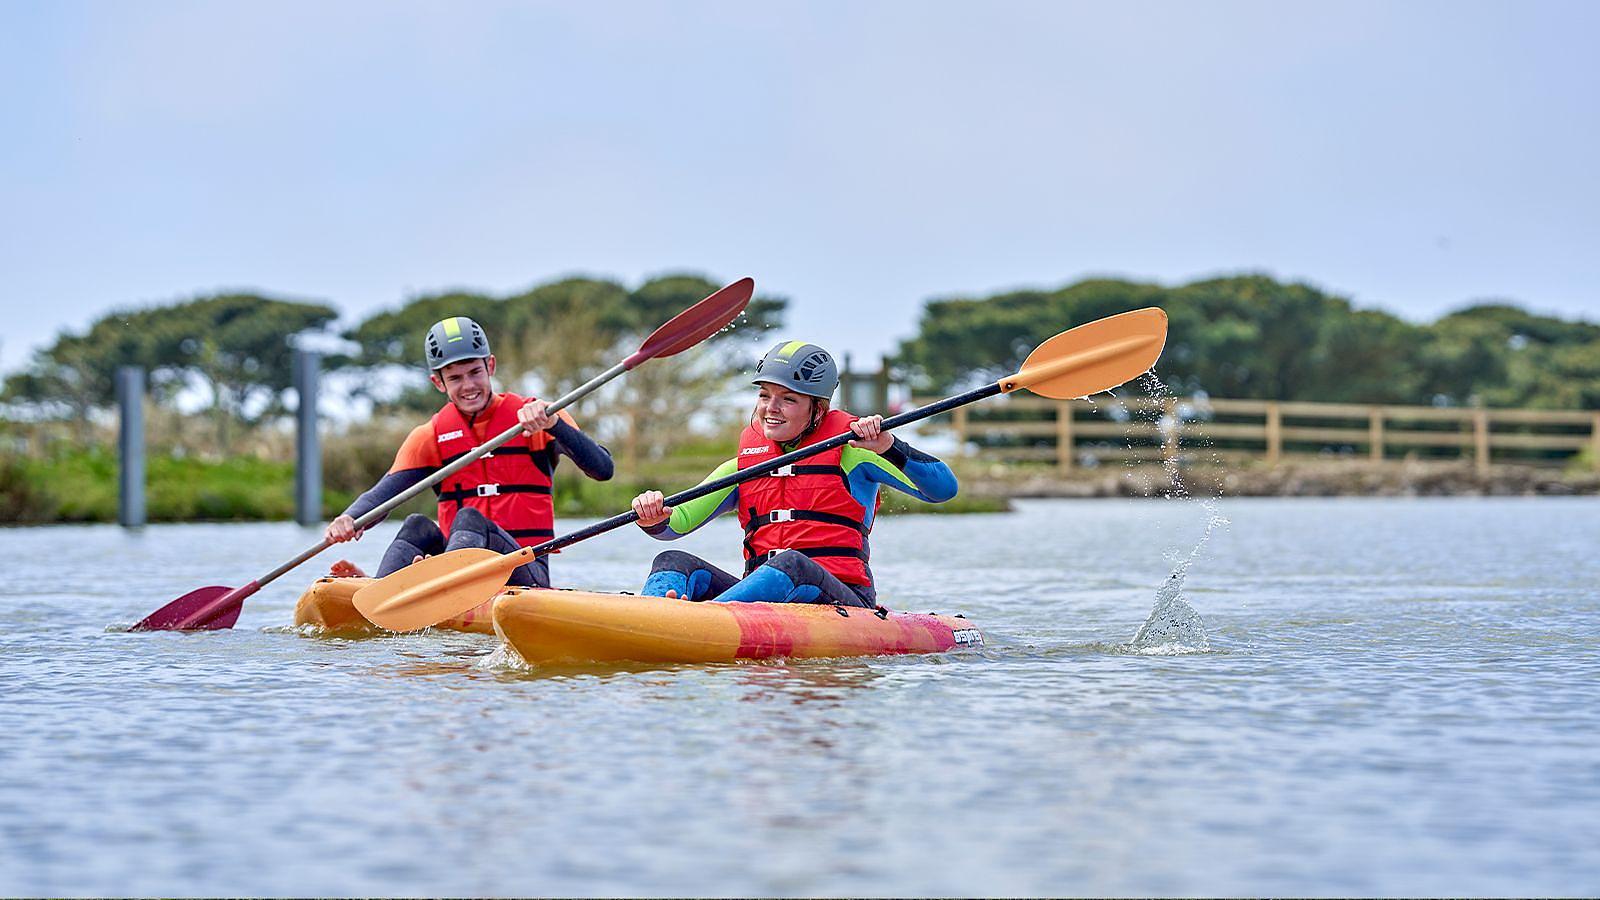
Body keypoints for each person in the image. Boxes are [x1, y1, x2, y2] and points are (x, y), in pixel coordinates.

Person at [629, 340, 957, 608]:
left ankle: (699, 620)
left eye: (788, 399)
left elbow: (943, 490)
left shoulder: (855, 454)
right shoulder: (745, 466)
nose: (771, 408)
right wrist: (653, 516)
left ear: (818, 409)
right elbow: (675, 525)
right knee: (672, 560)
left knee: (792, 564)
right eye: (764, 396)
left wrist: (888, 444)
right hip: (760, 605)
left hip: (842, 601)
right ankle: (650, 619)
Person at [326, 316, 613, 587]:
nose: (468, 386)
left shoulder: (540, 415)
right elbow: (383, 496)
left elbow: (602, 469)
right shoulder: (429, 437)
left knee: (469, 518)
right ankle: (379, 591)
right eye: (455, 378)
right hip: (459, 566)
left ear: (490, 365)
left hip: (524, 570)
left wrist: (553, 425)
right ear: (438, 383)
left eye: (475, 372)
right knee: (416, 526)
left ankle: (431, 582)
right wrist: (349, 519)